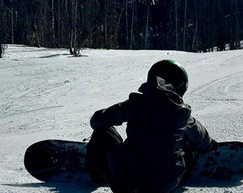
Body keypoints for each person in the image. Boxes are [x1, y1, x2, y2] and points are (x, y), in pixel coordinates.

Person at [86, 59, 215, 193]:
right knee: (186, 138)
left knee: (101, 132)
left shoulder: (134, 104)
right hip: (166, 184)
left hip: (123, 182)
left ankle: (98, 172)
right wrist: (210, 146)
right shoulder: (182, 113)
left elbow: (96, 122)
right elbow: (203, 139)